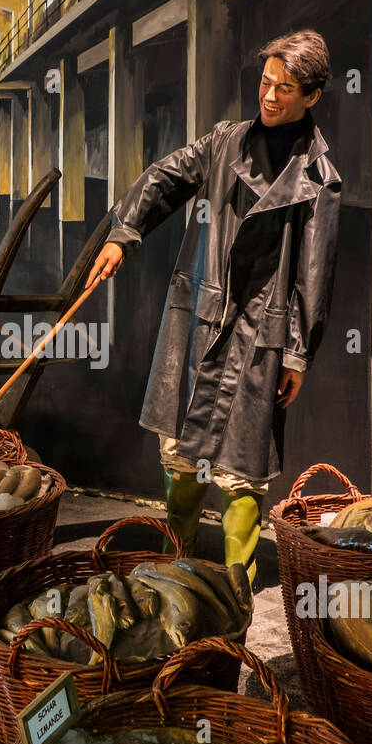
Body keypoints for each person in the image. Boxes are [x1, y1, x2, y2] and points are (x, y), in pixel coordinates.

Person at [86, 30, 342, 583]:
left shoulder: (319, 179)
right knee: (180, 458)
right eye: (266, 82)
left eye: (286, 88)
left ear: (312, 95)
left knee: (244, 475)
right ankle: (175, 569)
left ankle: (234, 597)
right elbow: (164, 177)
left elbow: (314, 277)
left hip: (261, 338)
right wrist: (123, 232)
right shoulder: (225, 141)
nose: (270, 96)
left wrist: (298, 354)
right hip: (198, 322)